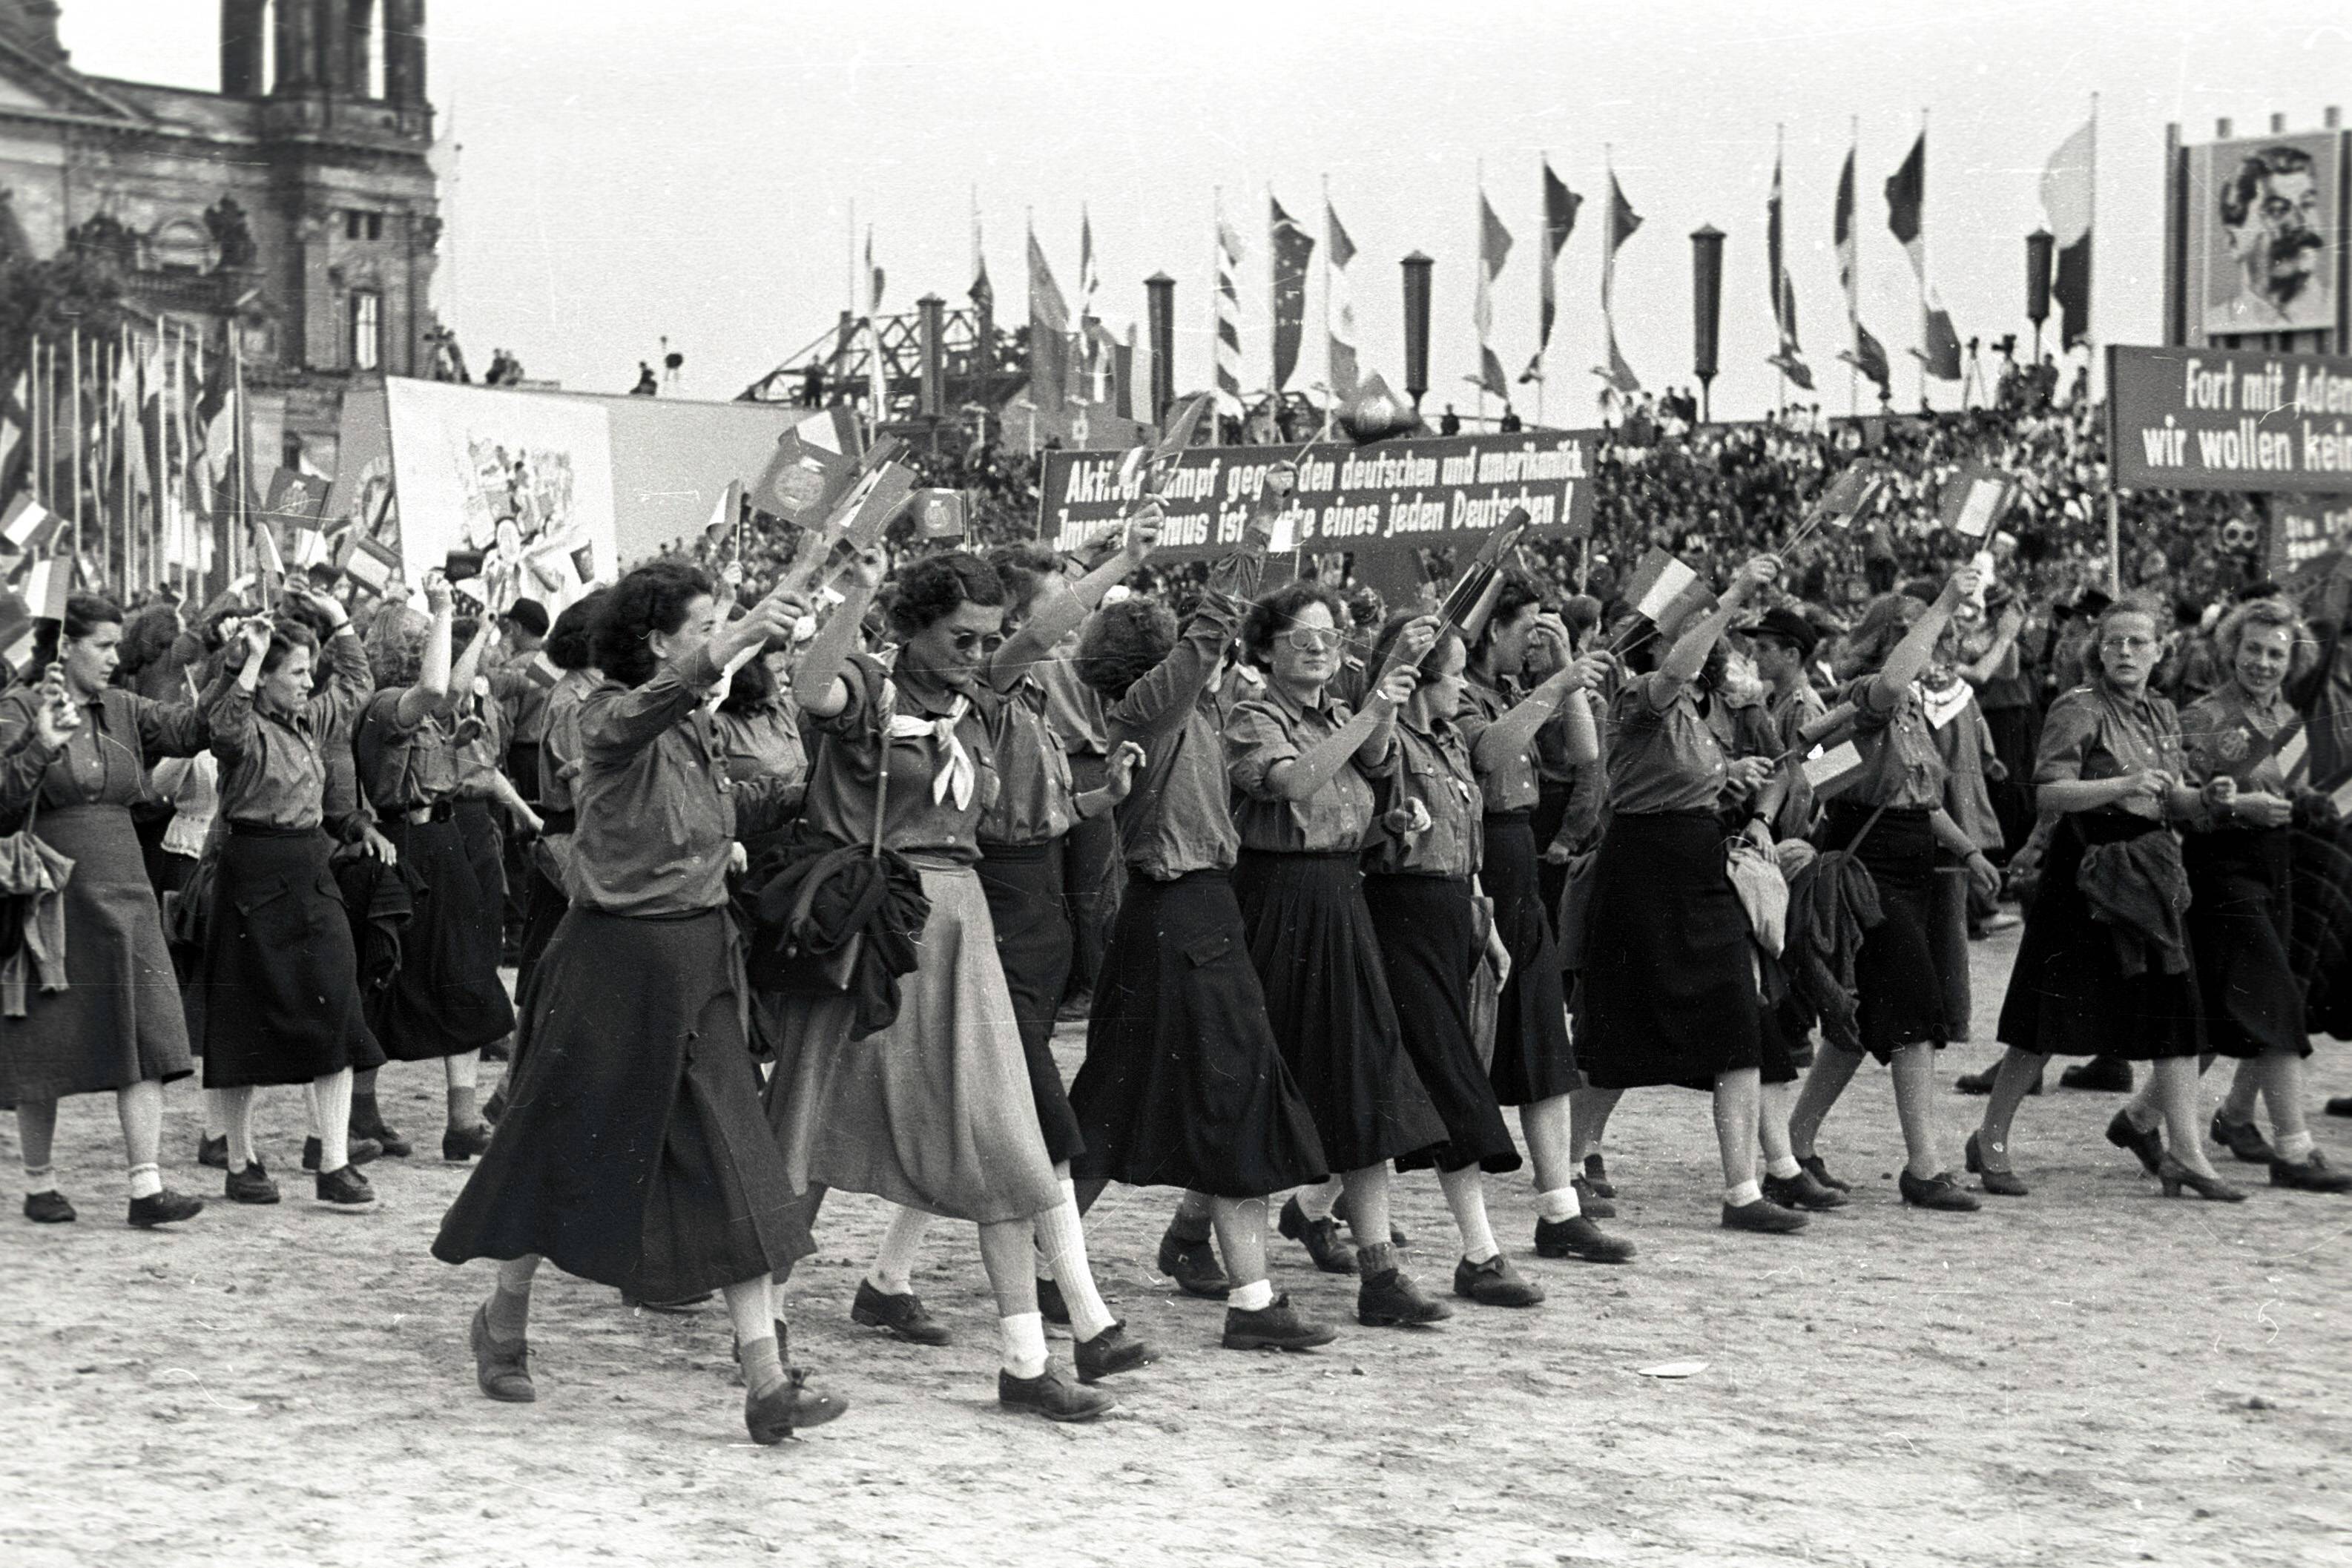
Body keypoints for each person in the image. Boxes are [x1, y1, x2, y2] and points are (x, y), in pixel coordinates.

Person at [432, 564, 845, 1444]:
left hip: (699, 965)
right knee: (557, 1148)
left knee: (736, 1157)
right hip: (612, 966)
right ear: (659, 641)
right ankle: (503, 1320)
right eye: (702, 625)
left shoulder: (693, 724)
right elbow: (654, 707)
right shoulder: (604, 715)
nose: (714, 637)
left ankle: (766, 1377)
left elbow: (699, 803)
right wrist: (738, 640)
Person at [765, 550, 1148, 1422]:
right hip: (870, 919)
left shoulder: (979, 696)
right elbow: (809, 682)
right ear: (911, 627)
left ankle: (1025, 1358)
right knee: (807, 1131)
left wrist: (1127, 556)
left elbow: (1044, 631)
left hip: (960, 921)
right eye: (961, 636)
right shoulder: (870, 687)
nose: (980, 652)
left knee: (1005, 1141)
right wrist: (860, 590)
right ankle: (768, 1329)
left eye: (987, 636)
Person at [1067, 472, 1340, 1354]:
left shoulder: (1182, 711)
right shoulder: (1155, 702)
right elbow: (1216, 619)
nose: (1213, 656)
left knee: (1108, 1102)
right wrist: (1256, 529)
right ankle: (1254, 1301)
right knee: (1234, 1097)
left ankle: (1051, 1261)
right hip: (1186, 915)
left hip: (1173, 914)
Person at [1226, 578, 1458, 1322]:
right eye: (1305, 639)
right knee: (1269, 1081)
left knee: (1365, 1077)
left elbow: (1369, 773)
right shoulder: (1251, 714)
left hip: (1341, 901)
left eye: (1333, 638)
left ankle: (1381, 1273)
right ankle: (1196, 1233)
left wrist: (1389, 814)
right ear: (1266, 649)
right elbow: (1293, 782)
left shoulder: (1339, 714)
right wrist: (1372, 711)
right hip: (1277, 905)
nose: (1324, 651)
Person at [1972, 596, 2244, 1200]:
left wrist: (2206, 799)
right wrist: (2120, 784)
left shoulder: (2161, 712)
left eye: (2136, 643)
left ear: (2158, 651)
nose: (2123, 652)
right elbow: (2048, 793)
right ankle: (1989, 1138)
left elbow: (2169, 799)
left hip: (2148, 872)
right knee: (2045, 1022)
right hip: (2085, 871)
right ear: (2097, 649)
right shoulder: (2078, 708)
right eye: (2113, 642)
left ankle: (2186, 1155)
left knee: (2174, 1014)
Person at [1575, 555, 1807, 1233]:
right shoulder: (1639, 697)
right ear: (1653, 643)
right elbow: (1675, 672)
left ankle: (1742, 1192)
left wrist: (1733, 777)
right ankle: (1564, 1169)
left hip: (1700, 867)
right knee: (1617, 1039)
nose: (1715, 644)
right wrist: (1732, 594)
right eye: (1690, 630)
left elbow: (1698, 775)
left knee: (1738, 1027)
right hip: (1640, 874)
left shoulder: (1713, 712)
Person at [1784, 575, 2000, 1212]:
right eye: (1911, 630)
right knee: (1913, 1008)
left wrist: (1967, 850)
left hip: (1908, 862)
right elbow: (1880, 699)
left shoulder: (1908, 713)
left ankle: (1795, 1141)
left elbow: (1919, 798)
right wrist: (1941, 607)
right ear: (1884, 640)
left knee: (1863, 1019)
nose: (1931, 639)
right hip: (1867, 867)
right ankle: (1923, 1166)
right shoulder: (1868, 697)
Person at [1360, 610, 1554, 1306]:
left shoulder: (1446, 739)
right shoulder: (1386, 734)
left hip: (1447, 916)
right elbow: (1376, 753)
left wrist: (1485, 924)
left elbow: (1462, 848)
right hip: (1397, 917)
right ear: (1419, 681)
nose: (1462, 687)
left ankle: (1302, 1215)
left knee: (1392, 1084)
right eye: (1452, 673)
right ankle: (1480, 1254)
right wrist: (1393, 676)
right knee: (1450, 1081)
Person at [0, 596, 210, 1228]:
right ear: (66, 646)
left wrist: (240, 668)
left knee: (144, 1031)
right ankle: (40, 1185)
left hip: (127, 887)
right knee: (47, 1037)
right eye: (105, 645)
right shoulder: (17, 706)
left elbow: (194, 730)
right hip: (53, 894)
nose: (118, 657)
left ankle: (147, 1189)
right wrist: (39, 744)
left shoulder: (122, 706)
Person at [1455, 580, 1635, 1262]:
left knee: (1542, 1046)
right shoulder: (1462, 692)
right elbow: (1489, 755)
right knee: (1441, 1054)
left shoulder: (1515, 690)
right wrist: (1550, 686)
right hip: (1479, 867)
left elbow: (1587, 755)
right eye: (1528, 627)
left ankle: (1558, 1209)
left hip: (1518, 867)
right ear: (1493, 628)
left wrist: (1568, 678)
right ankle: (1316, 1204)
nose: (1536, 640)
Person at [191, 588, 380, 1208]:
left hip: (309, 869)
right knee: (243, 1024)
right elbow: (221, 728)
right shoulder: (244, 729)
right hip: (251, 874)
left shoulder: (311, 720)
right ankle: (241, 1163)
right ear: (265, 678)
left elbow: (355, 683)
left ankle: (333, 1162)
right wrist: (247, 660)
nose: (307, 682)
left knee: (337, 1009)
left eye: (307, 672)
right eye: (296, 672)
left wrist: (338, 616)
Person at [2178, 599, 2351, 1193]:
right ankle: (2295, 1148)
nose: (2261, 662)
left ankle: (2140, 1120)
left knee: (2224, 1016)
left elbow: (2295, 800)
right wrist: (2233, 805)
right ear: (2231, 648)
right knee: (2274, 1001)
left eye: (2275, 653)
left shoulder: (2288, 720)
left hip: (2271, 872)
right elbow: (2181, 803)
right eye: (2252, 649)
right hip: (2219, 871)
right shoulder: (2202, 717)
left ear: (2291, 660)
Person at [351, 579, 515, 1162]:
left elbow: (452, 688)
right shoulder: (380, 707)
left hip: (438, 839)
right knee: (385, 977)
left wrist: (484, 626)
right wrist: (445, 609)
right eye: (427, 638)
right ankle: (360, 1116)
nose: (434, 646)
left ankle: (462, 1120)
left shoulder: (422, 713)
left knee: (465, 970)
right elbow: (437, 686)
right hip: (399, 845)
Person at [2210, 142, 2332, 333]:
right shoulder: (2214, 325)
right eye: (2277, 210)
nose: (2301, 223)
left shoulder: (2343, 315)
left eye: (2308, 204)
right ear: (2234, 241)